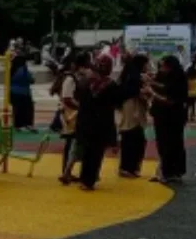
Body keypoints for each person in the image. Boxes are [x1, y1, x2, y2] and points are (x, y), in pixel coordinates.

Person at [74, 55, 119, 190]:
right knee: (96, 153)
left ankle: (84, 179)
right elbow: (112, 107)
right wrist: (113, 138)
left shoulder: (87, 81)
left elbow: (79, 98)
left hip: (86, 121)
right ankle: (89, 180)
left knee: (87, 152)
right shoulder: (110, 84)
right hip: (101, 123)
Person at [149, 55, 188, 184]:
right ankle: (164, 171)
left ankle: (171, 172)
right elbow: (162, 87)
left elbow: (171, 99)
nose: (162, 69)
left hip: (173, 116)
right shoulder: (163, 77)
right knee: (163, 143)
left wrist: (152, 91)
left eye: (164, 66)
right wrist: (152, 82)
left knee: (171, 144)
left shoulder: (178, 79)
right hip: (161, 115)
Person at [117, 54, 151, 178]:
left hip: (135, 110)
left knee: (136, 139)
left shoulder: (132, 77)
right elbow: (135, 92)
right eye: (146, 63)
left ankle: (132, 167)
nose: (147, 66)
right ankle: (127, 167)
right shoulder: (133, 79)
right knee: (131, 138)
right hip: (133, 111)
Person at [58, 52, 85, 184]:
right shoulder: (70, 79)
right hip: (70, 116)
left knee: (72, 143)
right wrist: (81, 106)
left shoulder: (74, 78)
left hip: (72, 114)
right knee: (70, 143)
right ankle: (66, 171)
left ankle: (67, 171)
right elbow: (67, 98)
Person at [9, 54, 36, 132]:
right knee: (28, 109)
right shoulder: (23, 69)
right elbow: (31, 80)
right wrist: (32, 77)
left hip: (13, 92)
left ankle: (17, 125)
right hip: (24, 93)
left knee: (17, 109)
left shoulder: (12, 69)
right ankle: (28, 124)